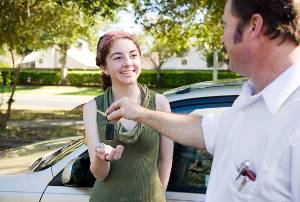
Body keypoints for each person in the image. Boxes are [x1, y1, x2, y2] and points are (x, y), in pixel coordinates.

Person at [105, 1, 300, 201]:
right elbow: (205, 130)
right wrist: (140, 113)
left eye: (224, 26)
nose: (222, 38)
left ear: (253, 26)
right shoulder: (252, 98)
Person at [83, 31, 173, 202]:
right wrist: (103, 158)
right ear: (104, 67)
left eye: (133, 55)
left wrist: (157, 195)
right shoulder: (93, 108)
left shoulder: (160, 103)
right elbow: (99, 175)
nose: (128, 63)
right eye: (118, 58)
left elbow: (165, 161)